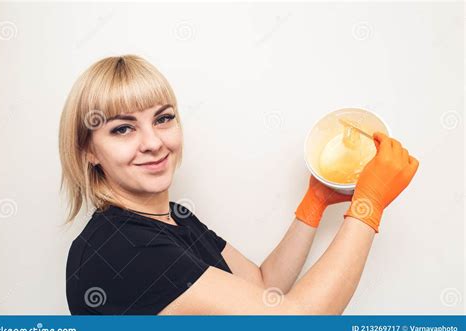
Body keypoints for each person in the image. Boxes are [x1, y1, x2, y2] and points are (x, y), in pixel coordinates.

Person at [60, 54, 419, 315]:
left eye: (164, 118)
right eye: (123, 128)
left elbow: (264, 288)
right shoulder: (123, 248)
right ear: (88, 150)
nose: (153, 142)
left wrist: (315, 202)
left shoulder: (174, 219)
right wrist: (367, 205)